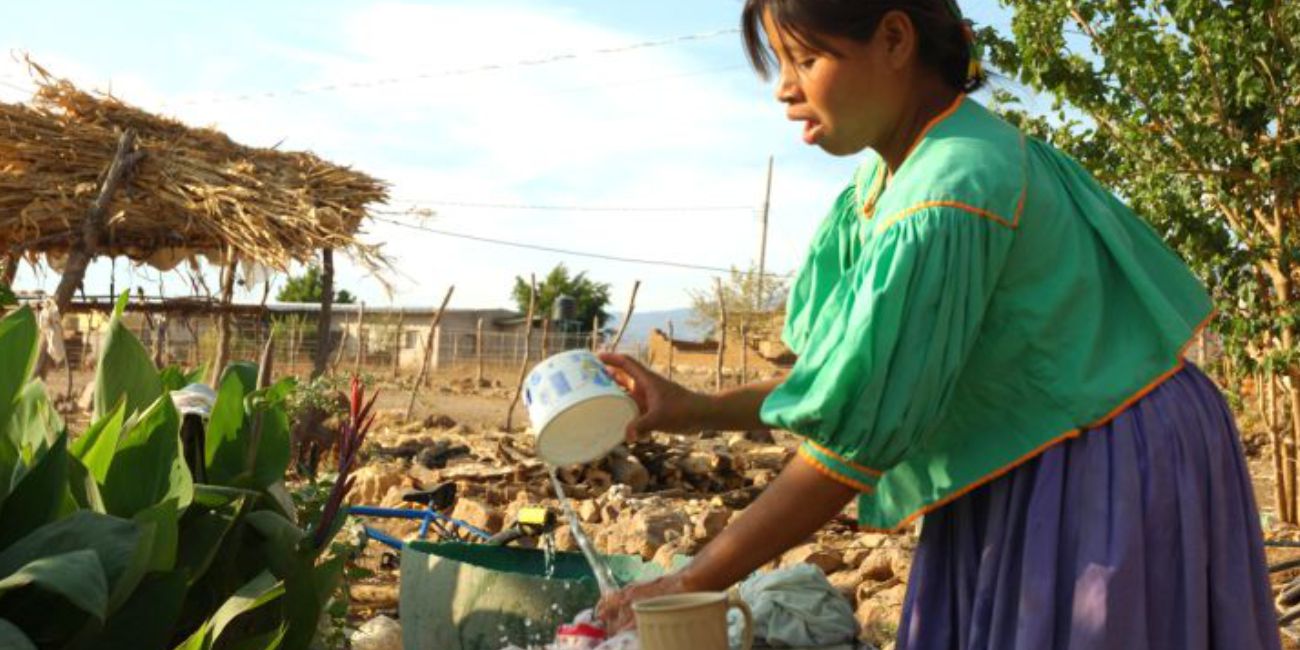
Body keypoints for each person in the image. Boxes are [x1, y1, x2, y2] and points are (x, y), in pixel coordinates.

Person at [594, 1, 1283, 648]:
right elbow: (845, 384)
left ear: (894, 40)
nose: (784, 89)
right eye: (780, 64)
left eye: (804, 59)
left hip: (1102, 459)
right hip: (1015, 456)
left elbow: (849, 451)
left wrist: (691, 580)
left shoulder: (953, 187)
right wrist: (695, 409)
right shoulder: (884, 188)